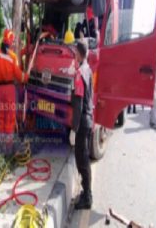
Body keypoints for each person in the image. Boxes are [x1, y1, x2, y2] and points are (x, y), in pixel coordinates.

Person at [0, 29, 29, 155]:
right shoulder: (12, 57)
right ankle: (8, 149)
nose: (14, 43)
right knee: (9, 118)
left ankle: (1, 145)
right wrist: (27, 77)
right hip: (9, 90)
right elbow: (19, 76)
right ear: (10, 42)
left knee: (2, 117)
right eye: (13, 41)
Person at [69, 40, 93, 209]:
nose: (73, 53)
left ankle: (87, 197)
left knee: (82, 160)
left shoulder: (80, 74)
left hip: (82, 122)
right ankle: (86, 192)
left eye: (74, 51)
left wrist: (74, 129)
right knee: (84, 158)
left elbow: (77, 105)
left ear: (78, 53)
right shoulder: (87, 69)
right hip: (88, 119)